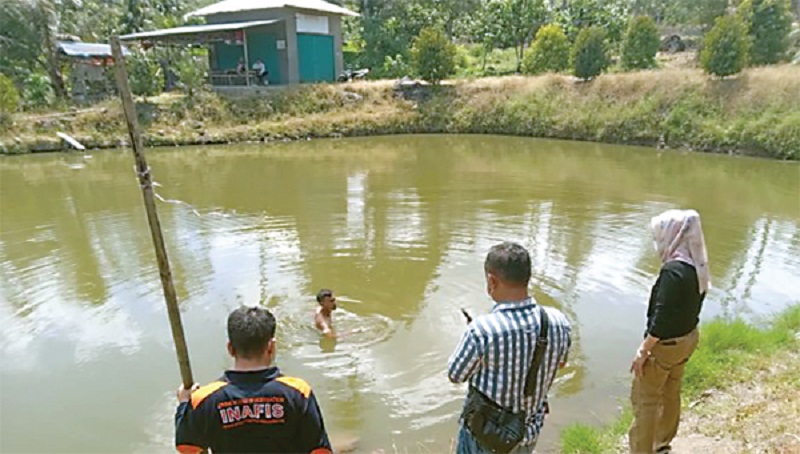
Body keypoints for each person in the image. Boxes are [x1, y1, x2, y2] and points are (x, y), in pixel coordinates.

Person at [448, 242, 572, 453]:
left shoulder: (482, 330)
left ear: (491, 280)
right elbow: (560, 363)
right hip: (527, 432)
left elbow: (455, 375)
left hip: (486, 437)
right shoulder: (559, 321)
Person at [174, 306, 332, 454]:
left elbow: (187, 447)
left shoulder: (204, 399)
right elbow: (320, 451)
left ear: (230, 348)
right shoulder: (298, 393)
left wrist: (184, 404)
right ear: (271, 347)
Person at [628, 209, 710, 454]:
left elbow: (661, 318)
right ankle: (661, 443)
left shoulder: (672, 271)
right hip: (688, 339)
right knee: (672, 391)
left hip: (666, 346)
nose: (657, 241)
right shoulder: (697, 264)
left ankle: (641, 450)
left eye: (659, 234)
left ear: (673, 234)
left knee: (647, 400)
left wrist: (643, 351)